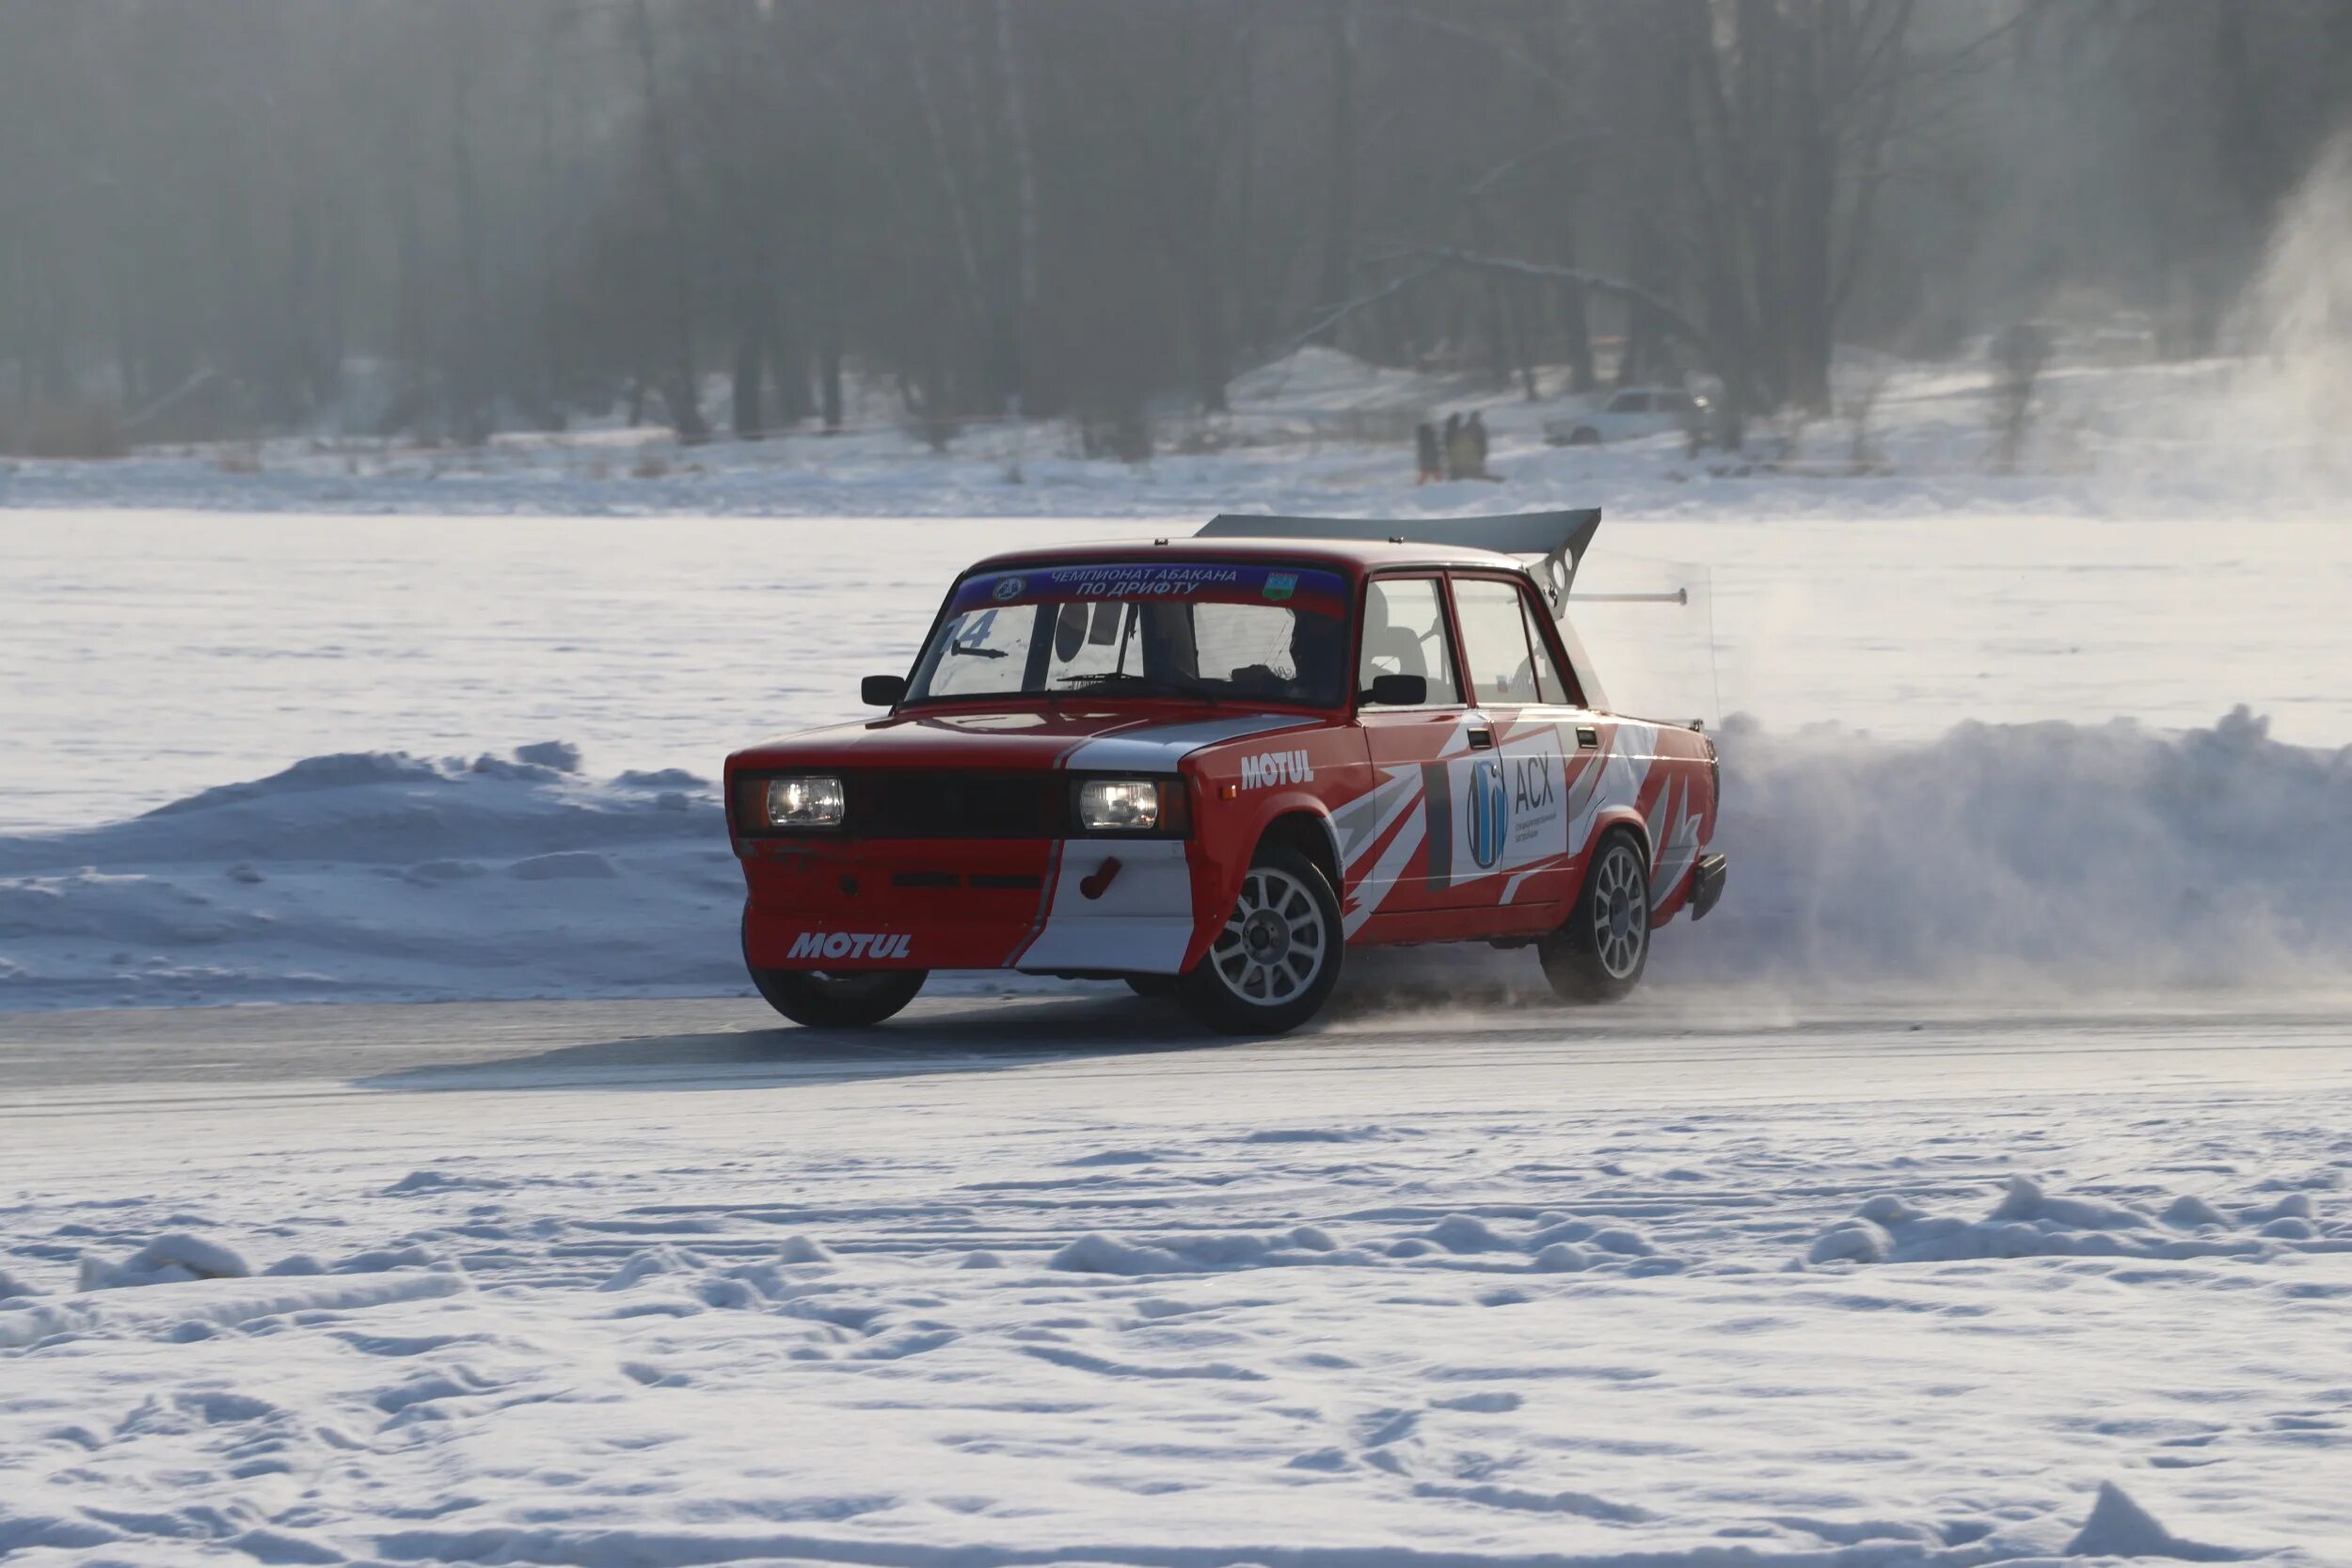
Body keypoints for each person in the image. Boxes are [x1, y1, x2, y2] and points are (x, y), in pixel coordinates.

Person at [1415, 420, 1441, 484]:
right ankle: (1440, 485)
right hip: (1432, 459)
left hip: (1425, 459)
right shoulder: (1431, 436)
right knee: (1436, 474)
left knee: (1425, 474)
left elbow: (1422, 449)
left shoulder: (1422, 437)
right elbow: (1434, 448)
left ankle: (1420, 485)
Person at [1466, 410, 1490, 479]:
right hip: (1478, 450)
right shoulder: (1480, 427)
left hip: (1471, 451)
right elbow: (1483, 440)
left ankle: (1474, 476)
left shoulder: (1467, 426)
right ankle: (1478, 476)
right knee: (1478, 465)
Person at [1441, 412, 1464, 481]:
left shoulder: (1448, 427)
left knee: (1452, 465)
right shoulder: (1456, 427)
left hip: (1450, 449)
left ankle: (1453, 477)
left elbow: (1446, 439)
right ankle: (1455, 477)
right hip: (1455, 449)